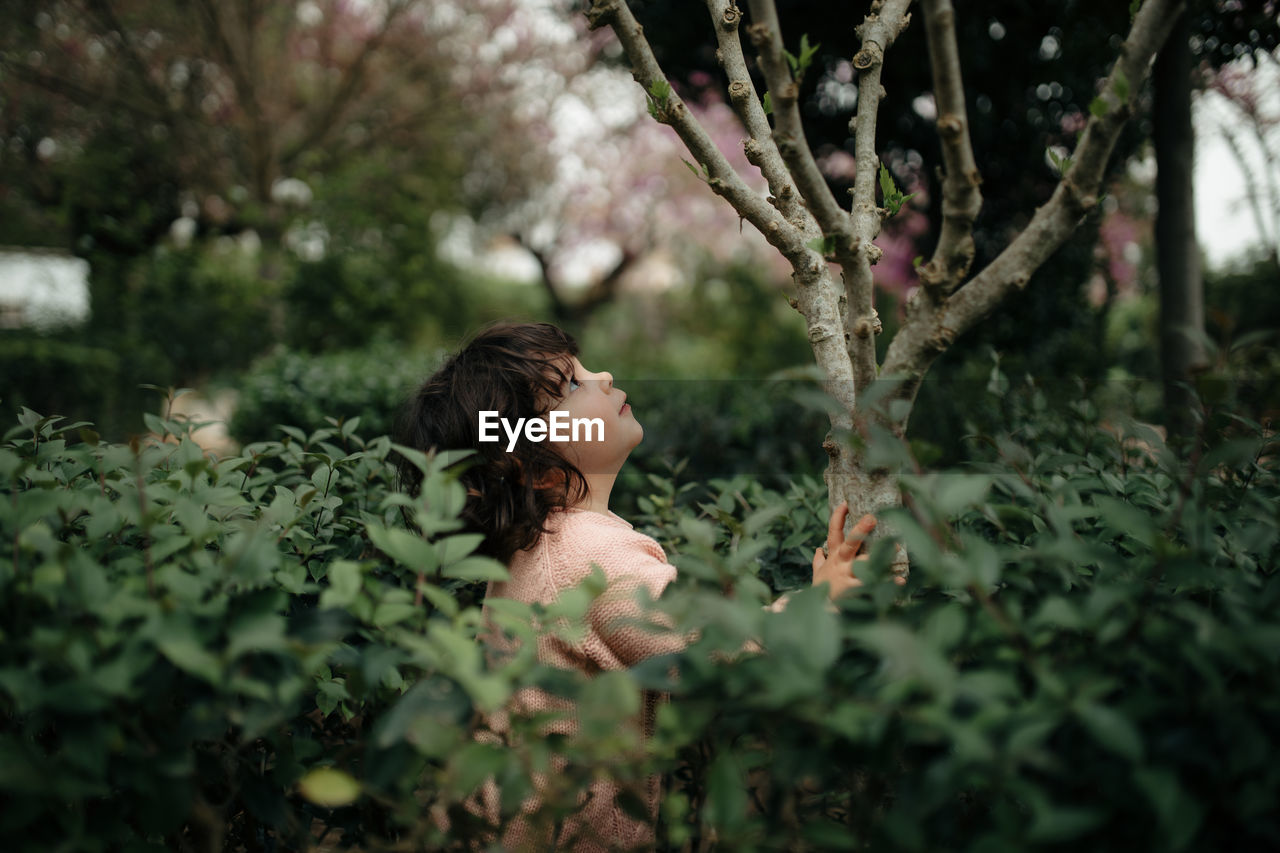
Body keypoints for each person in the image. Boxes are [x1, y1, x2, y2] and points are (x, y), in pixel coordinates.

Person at [398, 321, 877, 851]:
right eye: (572, 386)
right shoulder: (592, 558)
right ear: (530, 465)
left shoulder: (541, 548)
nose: (602, 375)